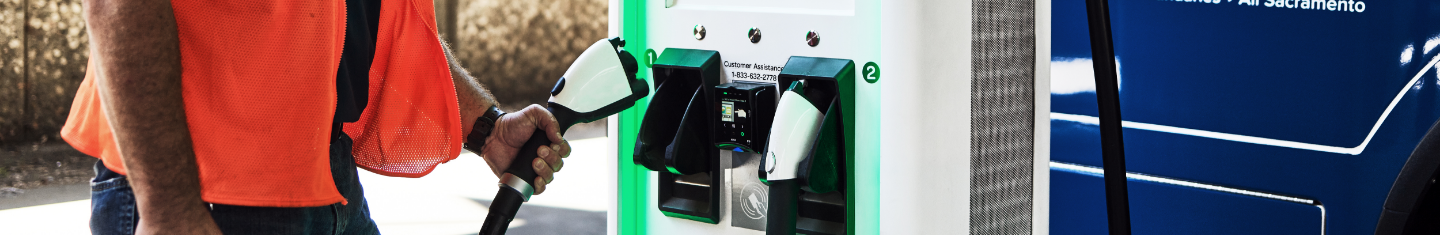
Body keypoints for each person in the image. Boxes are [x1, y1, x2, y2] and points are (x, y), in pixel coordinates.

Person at [63, 0, 570, 234]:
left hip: (324, 183)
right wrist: (168, 210)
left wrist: (486, 128)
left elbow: (367, 18)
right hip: (207, 194)